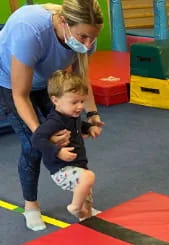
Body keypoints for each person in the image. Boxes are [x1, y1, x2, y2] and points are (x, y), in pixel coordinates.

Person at [0, 0, 104, 231]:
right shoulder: (31, 31)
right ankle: (31, 205)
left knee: (71, 130)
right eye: (83, 37)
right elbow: (20, 94)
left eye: (92, 38)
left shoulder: (85, 38)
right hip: (9, 82)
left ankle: (84, 207)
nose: (87, 44)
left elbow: (80, 81)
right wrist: (43, 136)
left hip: (47, 82)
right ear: (64, 22)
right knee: (32, 146)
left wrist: (92, 114)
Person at [32, 70, 100, 221]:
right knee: (88, 178)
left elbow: (78, 124)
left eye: (82, 101)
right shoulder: (54, 122)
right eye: (74, 102)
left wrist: (89, 128)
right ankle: (74, 207)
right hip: (61, 169)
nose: (80, 106)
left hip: (78, 164)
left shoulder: (70, 115)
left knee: (87, 198)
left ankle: (84, 215)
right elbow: (37, 139)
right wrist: (57, 152)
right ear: (55, 100)